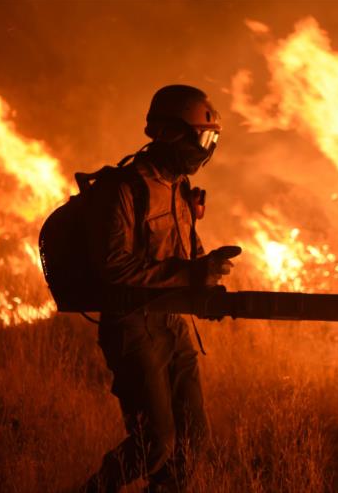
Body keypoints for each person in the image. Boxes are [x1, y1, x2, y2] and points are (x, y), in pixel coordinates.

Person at [82, 85, 237, 493]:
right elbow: (114, 267)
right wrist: (189, 276)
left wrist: (206, 275)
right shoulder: (123, 188)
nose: (205, 149)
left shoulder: (180, 187)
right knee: (155, 442)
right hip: (133, 327)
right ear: (169, 134)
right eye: (201, 137)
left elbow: (186, 256)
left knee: (191, 442)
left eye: (211, 139)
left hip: (173, 325)